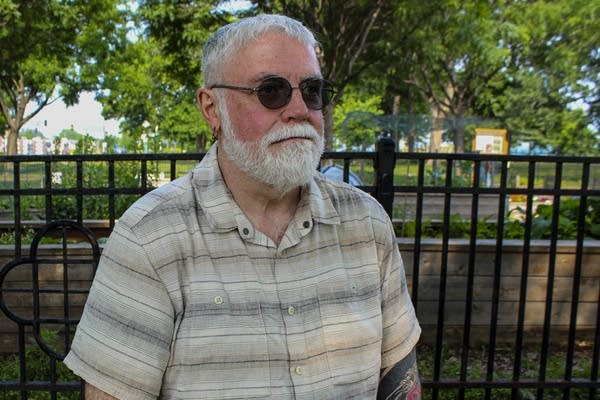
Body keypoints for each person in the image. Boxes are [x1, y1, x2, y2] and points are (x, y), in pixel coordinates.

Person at [64, 14, 421, 400]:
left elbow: (399, 382)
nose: (299, 109)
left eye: (313, 90)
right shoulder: (151, 238)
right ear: (212, 108)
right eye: (272, 91)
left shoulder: (367, 225)